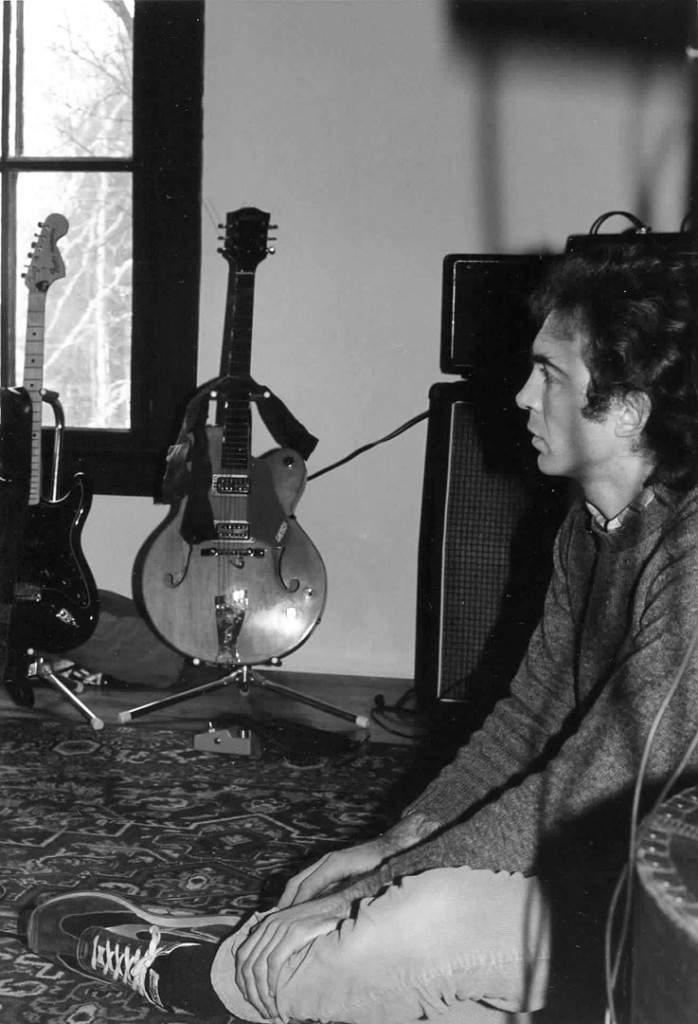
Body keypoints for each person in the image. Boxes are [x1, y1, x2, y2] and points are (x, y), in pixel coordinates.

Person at [25, 251, 698, 1023]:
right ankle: (290, 960)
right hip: (612, 888)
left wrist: (387, 886)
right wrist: (395, 843)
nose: (519, 394)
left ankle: (195, 971)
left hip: (668, 924)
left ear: (629, 409)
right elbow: (524, 727)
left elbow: (583, 789)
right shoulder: (590, 531)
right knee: (398, 965)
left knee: (423, 921)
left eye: (549, 373)